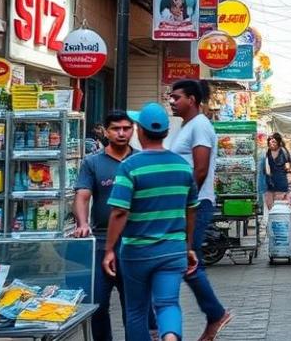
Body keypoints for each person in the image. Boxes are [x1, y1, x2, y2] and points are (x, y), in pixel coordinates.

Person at [103, 103, 200, 341]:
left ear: (139, 131)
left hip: (137, 251)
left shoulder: (129, 167)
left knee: (137, 309)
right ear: (166, 133)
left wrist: (108, 250)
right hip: (173, 249)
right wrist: (188, 246)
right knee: (168, 304)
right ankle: (170, 338)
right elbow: (192, 210)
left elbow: (119, 212)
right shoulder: (183, 167)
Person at [74, 111, 156, 340]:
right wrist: (82, 223)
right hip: (101, 242)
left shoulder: (143, 160)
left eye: (126, 128)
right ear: (106, 131)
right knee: (98, 305)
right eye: (115, 129)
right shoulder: (92, 162)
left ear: (134, 130)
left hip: (136, 244)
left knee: (136, 308)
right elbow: (82, 196)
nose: (121, 133)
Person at [168, 80, 232, 339]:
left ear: (192, 99)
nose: (172, 101)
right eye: (170, 97)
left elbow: (201, 169)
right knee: (184, 260)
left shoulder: (201, 126)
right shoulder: (185, 126)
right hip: (183, 203)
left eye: (176, 97)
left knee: (188, 260)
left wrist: (186, 203)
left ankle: (216, 314)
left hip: (195, 204)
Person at [263, 133, 291, 209]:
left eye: (274, 142)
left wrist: (290, 185)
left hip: (281, 184)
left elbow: (288, 168)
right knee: (271, 209)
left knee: (280, 208)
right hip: (269, 185)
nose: (271, 144)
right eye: (269, 142)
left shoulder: (284, 152)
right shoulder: (267, 153)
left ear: (279, 142)